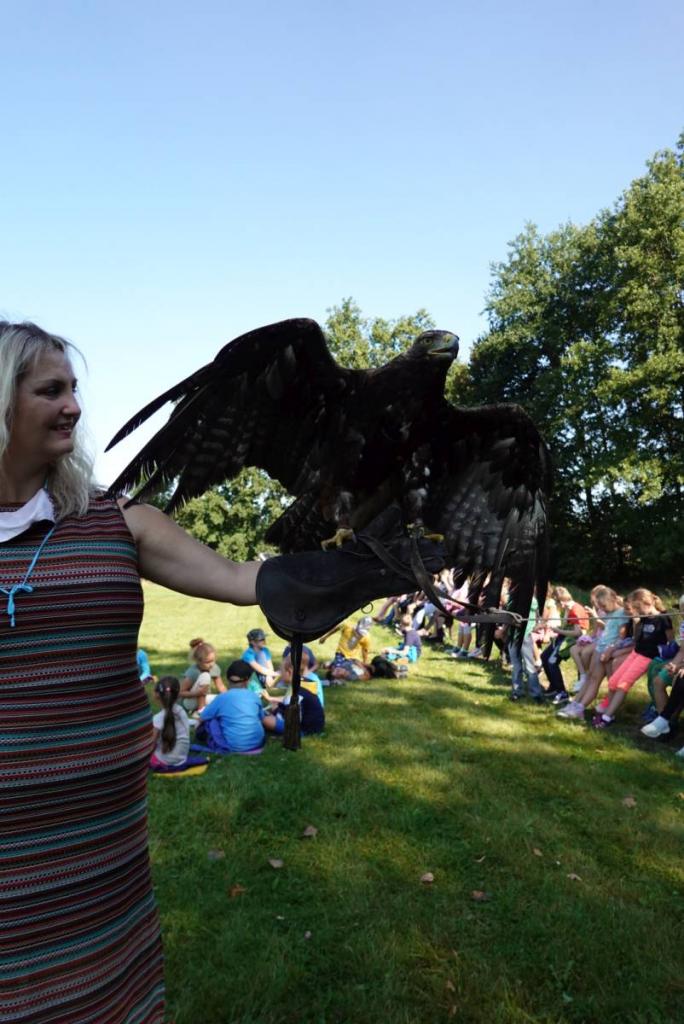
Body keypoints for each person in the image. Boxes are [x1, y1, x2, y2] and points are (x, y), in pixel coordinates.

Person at [0, 320, 444, 1022]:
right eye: (51, 390)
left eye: (74, 389)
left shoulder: (118, 522)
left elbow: (243, 579)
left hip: (101, 853)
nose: (74, 407)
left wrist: (361, 565)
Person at [591, 588, 673, 729]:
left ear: (647, 603)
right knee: (614, 681)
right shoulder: (644, 617)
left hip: (647, 657)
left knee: (623, 684)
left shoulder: (663, 618)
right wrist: (636, 623)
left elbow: (671, 641)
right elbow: (637, 639)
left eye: (638, 608)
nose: (636, 611)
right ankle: (607, 708)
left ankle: (607, 716)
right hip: (636, 653)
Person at [195, 659, 274, 752]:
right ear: (247, 681)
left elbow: (202, 718)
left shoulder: (222, 698)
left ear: (228, 679)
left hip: (233, 746)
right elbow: (261, 718)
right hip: (257, 743)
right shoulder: (254, 696)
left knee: (211, 721)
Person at [540, 586, 588, 705]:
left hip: (573, 640)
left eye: (561, 601)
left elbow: (578, 632)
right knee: (544, 657)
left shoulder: (575, 609)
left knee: (552, 661)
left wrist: (558, 630)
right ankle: (554, 687)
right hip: (562, 637)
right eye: (558, 602)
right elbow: (567, 626)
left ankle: (562, 693)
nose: (560, 604)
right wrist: (557, 629)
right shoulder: (566, 608)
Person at [150, 676, 191, 768]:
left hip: (163, 760)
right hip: (182, 757)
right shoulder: (181, 711)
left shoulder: (158, 718)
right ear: (177, 695)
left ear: (156, 695)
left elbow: (150, 744)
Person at [180, 637, 225, 715]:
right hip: (190, 702)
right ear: (198, 661)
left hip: (205, 697)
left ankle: (203, 709)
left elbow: (221, 687)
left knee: (222, 700)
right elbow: (180, 692)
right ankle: (201, 711)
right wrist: (197, 693)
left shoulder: (214, 668)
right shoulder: (193, 672)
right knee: (205, 675)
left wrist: (230, 698)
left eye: (213, 660)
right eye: (207, 662)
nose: (211, 664)